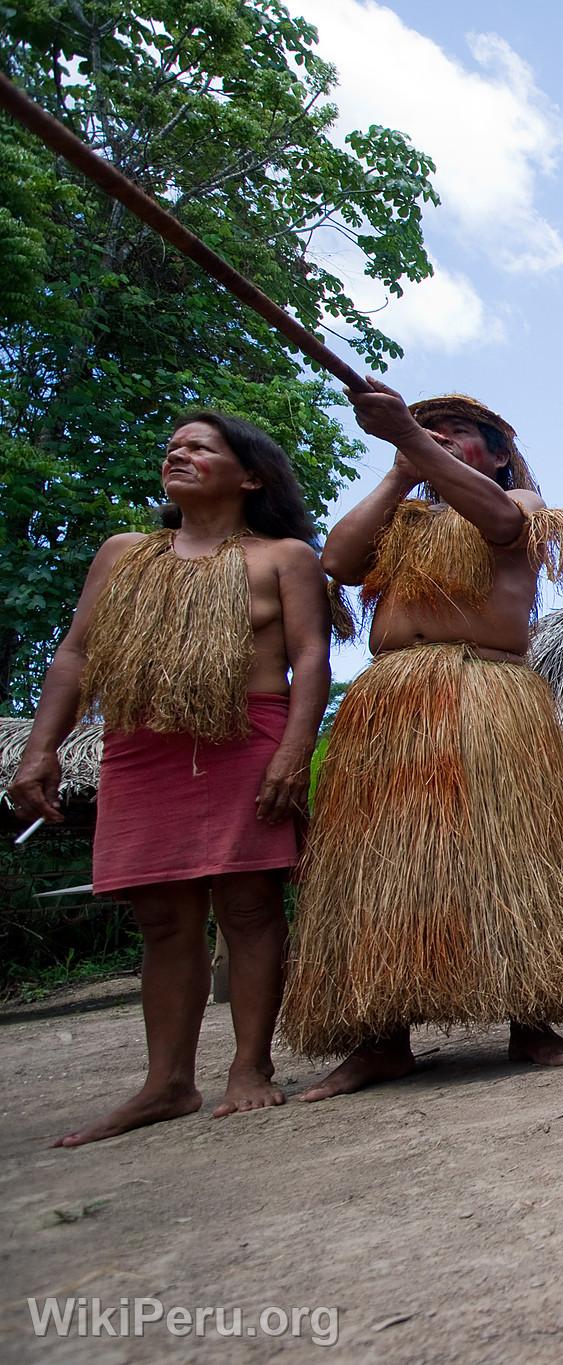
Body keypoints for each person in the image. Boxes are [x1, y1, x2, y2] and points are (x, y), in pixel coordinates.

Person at [279, 383, 563, 1098]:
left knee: (510, 855)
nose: (435, 435)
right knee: (382, 864)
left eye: (455, 430)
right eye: (426, 425)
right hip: (394, 702)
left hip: (488, 693)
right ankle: (381, 1037)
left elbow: (498, 521)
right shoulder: (400, 514)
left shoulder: (523, 504)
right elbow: (339, 561)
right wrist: (403, 463)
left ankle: (533, 1018)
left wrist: (407, 433)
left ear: (500, 455)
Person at [8, 413, 332, 1144]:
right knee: (160, 916)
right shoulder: (125, 554)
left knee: (249, 904)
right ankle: (167, 1081)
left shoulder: (283, 557)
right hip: (141, 746)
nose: (177, 452)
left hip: (246, 734)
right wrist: (42, 746)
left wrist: (292, 752)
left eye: (199, 446)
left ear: (250, 475)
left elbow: (310, 659)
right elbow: (76, 655)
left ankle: (250, 1065)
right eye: (173, 446)